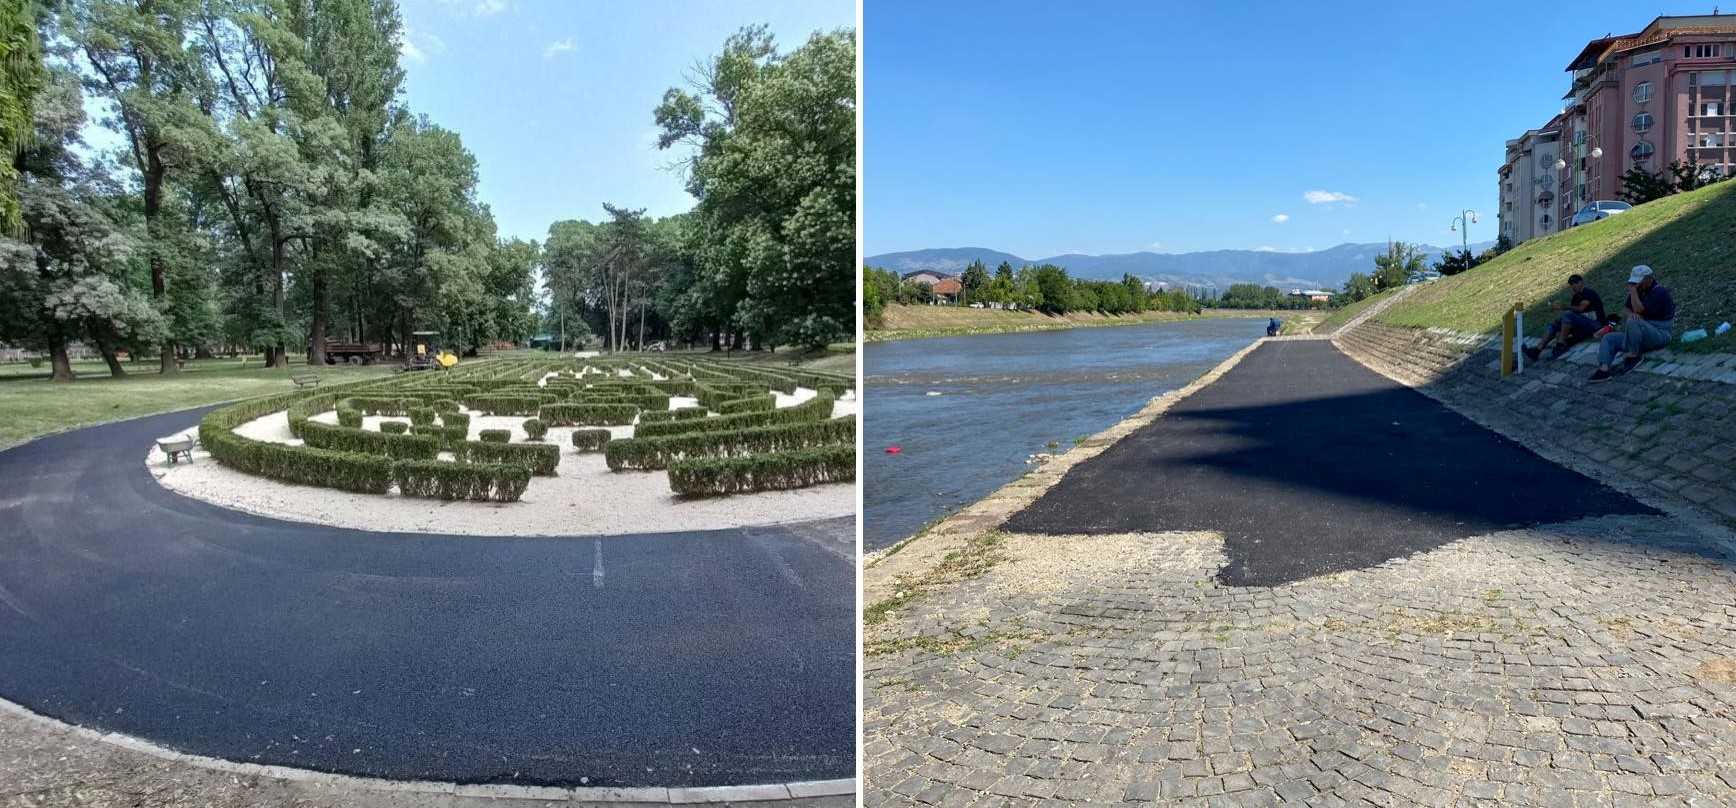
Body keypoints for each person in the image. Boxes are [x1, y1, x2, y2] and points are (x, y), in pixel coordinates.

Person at [1589, 264, 1675, 383]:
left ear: (1649, 279)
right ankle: (1604, 370)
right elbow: (1627, 309)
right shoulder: (1640, 290)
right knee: (1609, 338)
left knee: (1633, 321)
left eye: (1639, 282)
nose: (1636, 285)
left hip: (1660, 334)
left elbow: (1639, 310)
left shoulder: (1659, 291)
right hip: (1641, 334)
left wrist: (1633, 292)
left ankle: (1634, 356)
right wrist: (1632, 313)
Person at [1523, 273, 1606, 361]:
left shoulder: (1589, 293)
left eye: (1575, 283)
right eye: (1571, 284)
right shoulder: (1575, 298)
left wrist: (1562, 307)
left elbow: (1581, 309)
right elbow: (1574, 315)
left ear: (1581, 282)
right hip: (1583, 327)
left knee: (1567, 314)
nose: (1573, 286)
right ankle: (1537, 350)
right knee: (1554, 324)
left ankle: (1561, 344)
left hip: (1596, 325)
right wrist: (1560, 320)